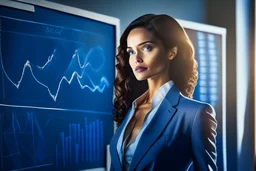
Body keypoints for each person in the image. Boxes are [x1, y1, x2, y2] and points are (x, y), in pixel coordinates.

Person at [109, 14, 218, 171]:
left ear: (171, 52)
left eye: (147, 48)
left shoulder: (195, 114)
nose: (136, 58)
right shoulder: (129, 108)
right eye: (131, 51)